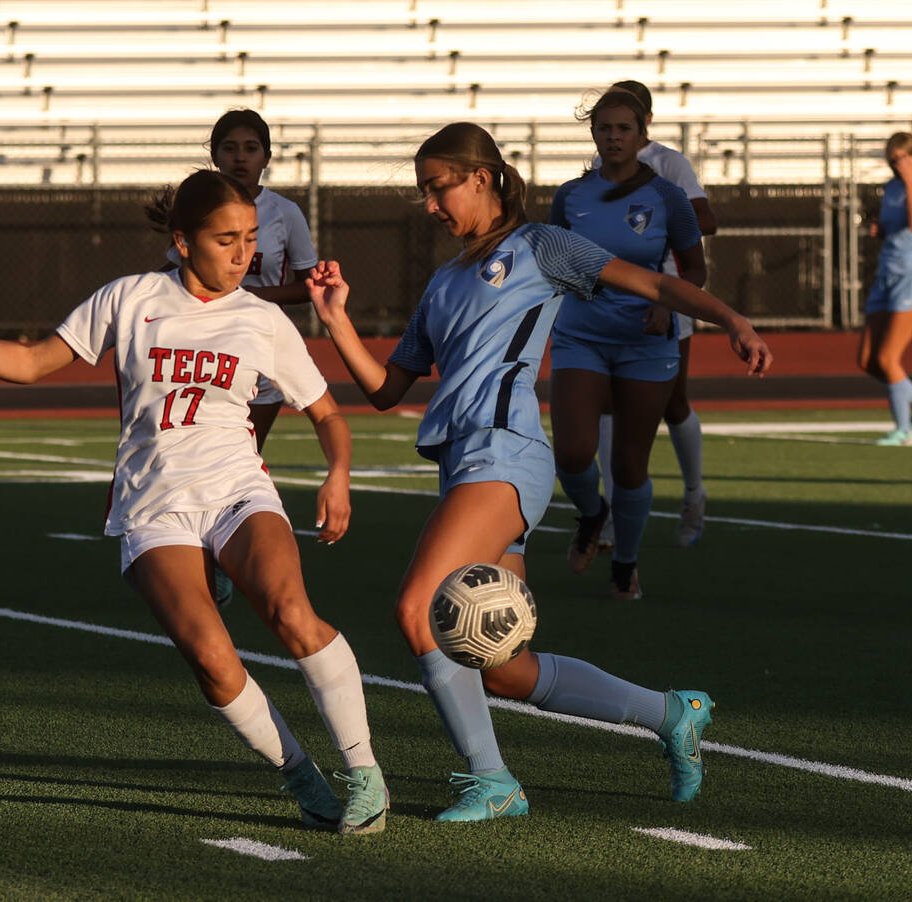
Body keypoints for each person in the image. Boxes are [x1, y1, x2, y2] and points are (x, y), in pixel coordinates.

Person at [306, 121, 771, 821]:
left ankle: (492, 781)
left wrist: (731, 317)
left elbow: (647, 280)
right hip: (465, 466)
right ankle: (671, 712)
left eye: (439, 189)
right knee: (506, 668)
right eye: (424, 193)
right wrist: (335, 321)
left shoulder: (538, 246)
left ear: (483, 177)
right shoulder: (442, 283)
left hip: (506, 454)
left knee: (418, 612)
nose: (431, 206)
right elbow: (386, 390)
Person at [0, 169, 389, 836]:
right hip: (153, 503)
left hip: (237, 489)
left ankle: (364, 774)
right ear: (182, 242)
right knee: (211, 659)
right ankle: (303, 777)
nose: (243, 253)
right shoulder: (130, 299)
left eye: (250, 238)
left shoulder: (262, 318)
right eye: (226, 240)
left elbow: (328, 414)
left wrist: (338, 474)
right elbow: (33, 360)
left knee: (288, 610)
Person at [548, 87, 710, 599]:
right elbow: (554, 262)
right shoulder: (569, 195)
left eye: (624, 129)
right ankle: (592, 516)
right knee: (573, 452)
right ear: (592, 134)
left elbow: (696, 269)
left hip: (645, 343)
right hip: (580, 336)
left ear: (643, 135)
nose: (613, 137)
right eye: (604, 128)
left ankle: (624, 564)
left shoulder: (666, 195)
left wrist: (667, 303)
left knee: (629, 464)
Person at [591, 80, 719, 550]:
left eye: (625, 121)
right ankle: (607, 512)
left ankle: (693, 494)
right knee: (605, 402)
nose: (615, 133)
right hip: (610, 297)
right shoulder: (599, 166)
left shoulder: (668, 163)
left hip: (665, 293)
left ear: (644, 121)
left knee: (673, 402)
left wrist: (653, 213)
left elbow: (706, 219)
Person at [166, 108, 319, 454]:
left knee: (244, 454)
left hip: (257, 341)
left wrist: (249, 295)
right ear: (214, 155)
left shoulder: (284, 212)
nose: (240, 157)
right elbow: (174, 269)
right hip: (201, 341)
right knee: (194, 448)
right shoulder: (197, 207)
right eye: (229, 148)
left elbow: (309, 285)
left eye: (251, 148)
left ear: (266, 157)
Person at [857, 131, 912, 446]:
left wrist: (909, 180)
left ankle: (904, 429)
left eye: (901, 159)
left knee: (887, 357)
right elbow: (897, 226)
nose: (896, 166)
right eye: (892, 161)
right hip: (887, 270)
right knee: (867, 359)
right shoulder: (890, 187)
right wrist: (880, 230)